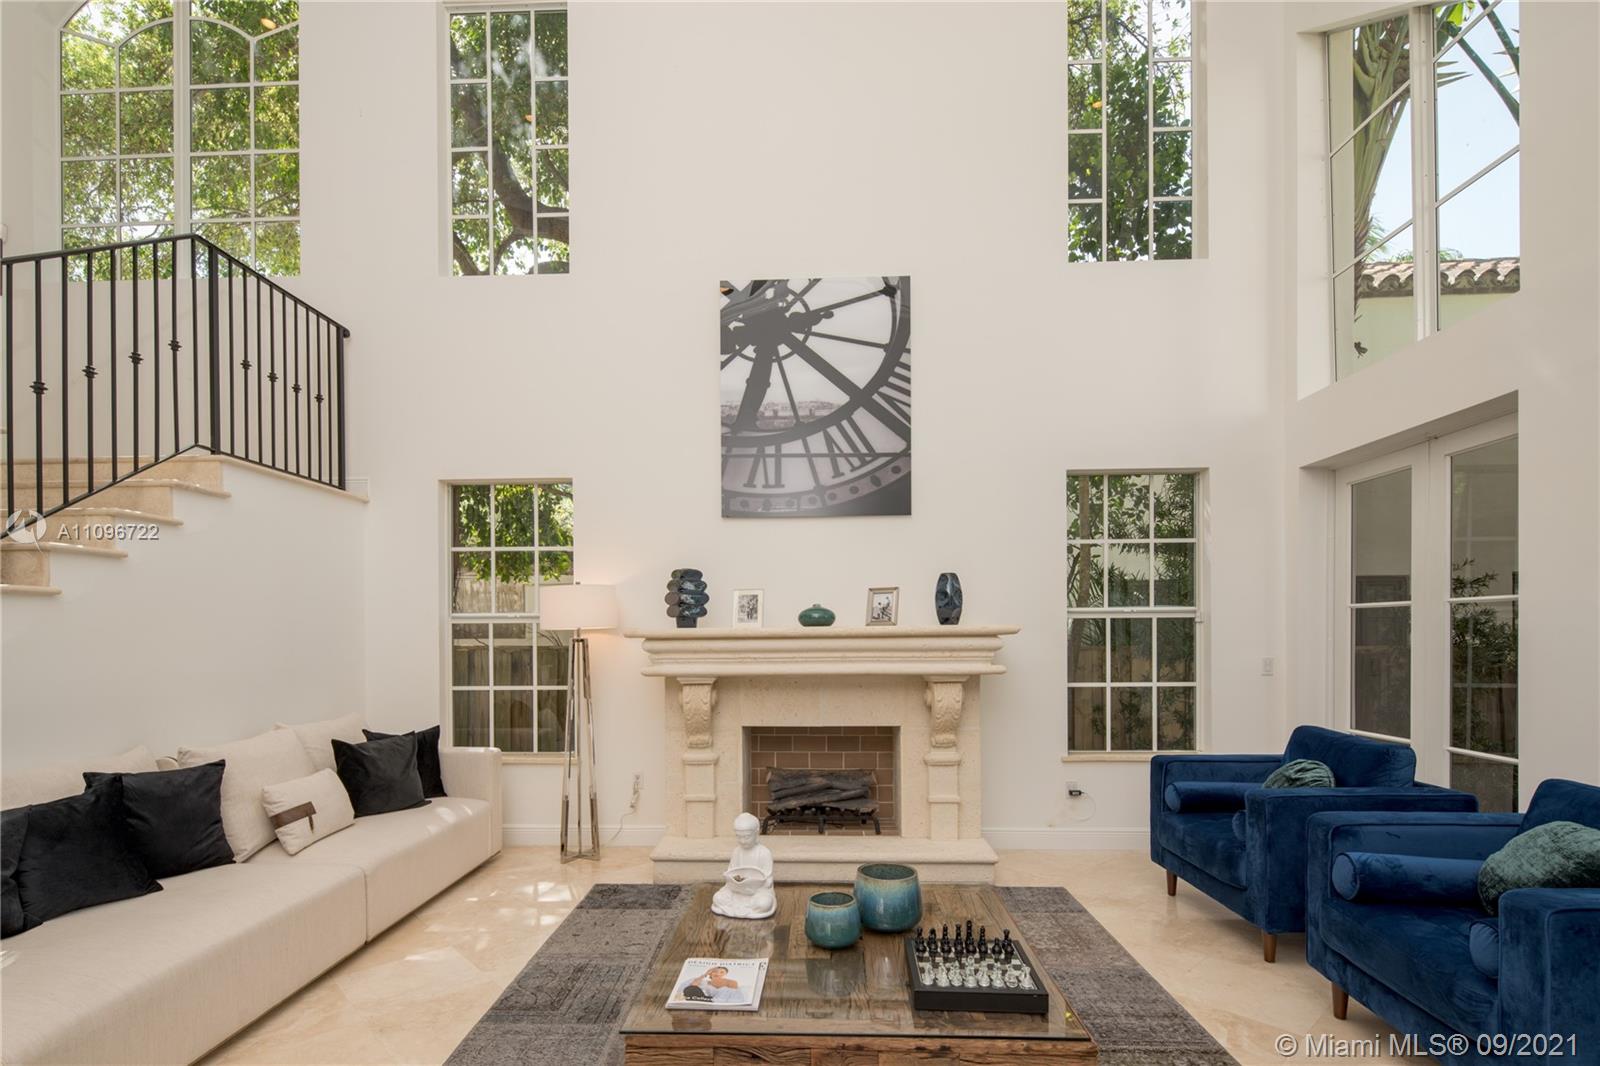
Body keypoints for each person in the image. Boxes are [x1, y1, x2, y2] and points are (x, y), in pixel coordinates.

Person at [710, 812, 777, 919]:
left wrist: (756, 885)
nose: (742, 841)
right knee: (717, 898)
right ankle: (745, 907)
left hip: (757, 892)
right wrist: (734, 882)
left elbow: (768, 881)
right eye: (739, 837)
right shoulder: (737, 851)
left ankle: (744, 906)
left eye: (746, 837)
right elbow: (731, 874)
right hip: (737, 891)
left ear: (756, 833)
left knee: (764, 903)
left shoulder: (764, 853)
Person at [681, 965, 746, 1005]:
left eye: (722, 972)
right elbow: (692, 986)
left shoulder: (731, 982)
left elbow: (733, 993)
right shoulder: (704, 982)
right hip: (703, 998)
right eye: (715, 971)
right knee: (690, 989)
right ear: (710, 973)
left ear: (725, 974)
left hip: (718, 1000)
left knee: (726, 990)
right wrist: (705, 974)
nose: (718, 973)